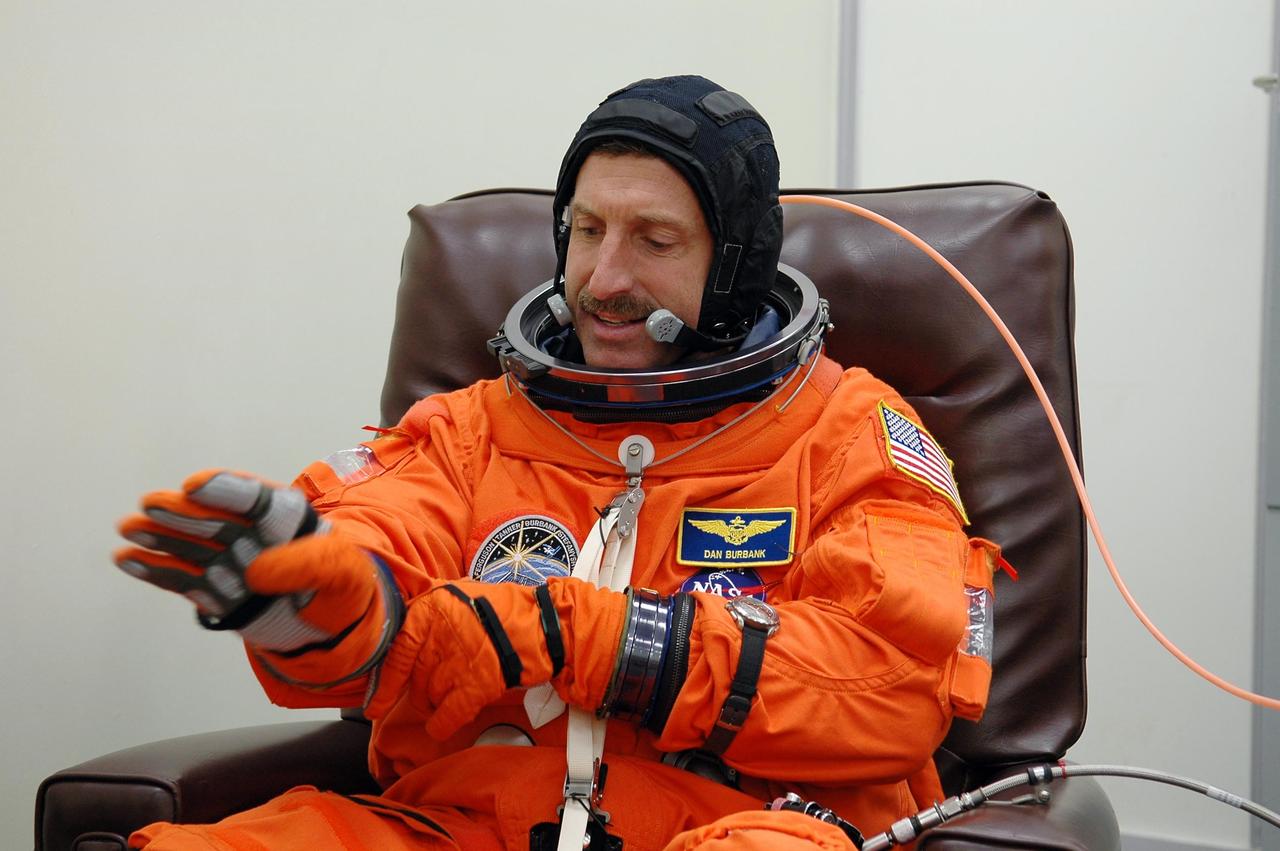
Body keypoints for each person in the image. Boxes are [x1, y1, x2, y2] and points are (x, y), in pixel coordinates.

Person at [115, 75, 1001, 851]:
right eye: (585, 231)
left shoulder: (847, 431)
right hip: (466, 823)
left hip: (745, 820)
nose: (603, 278)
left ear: (734, 269)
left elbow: (890, 683)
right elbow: (379, 555)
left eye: (654, 242)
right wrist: (324, 607)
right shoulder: (470, 431)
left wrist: (591, 639)